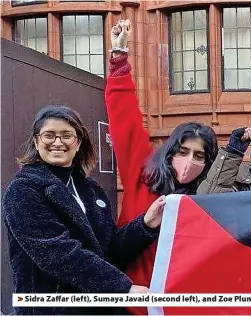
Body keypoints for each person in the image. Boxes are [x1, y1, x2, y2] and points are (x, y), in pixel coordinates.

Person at [1, 105, 163, 315]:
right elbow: (58, 253)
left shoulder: (92, 190)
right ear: (36, 141)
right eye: (49, 135)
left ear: (78, 143)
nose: (57, 142)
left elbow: (108, 248)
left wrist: (145, 225)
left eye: (67, 135)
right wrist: (122, 286)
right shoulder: (23, 190)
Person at [105, 20, 218, 314]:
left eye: (199, 156)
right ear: (170, 152)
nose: (189, 161)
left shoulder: (205, 202)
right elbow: (125, 120)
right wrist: (119, 61)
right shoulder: (143, 174)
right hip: (130, 306)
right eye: (183, 152)